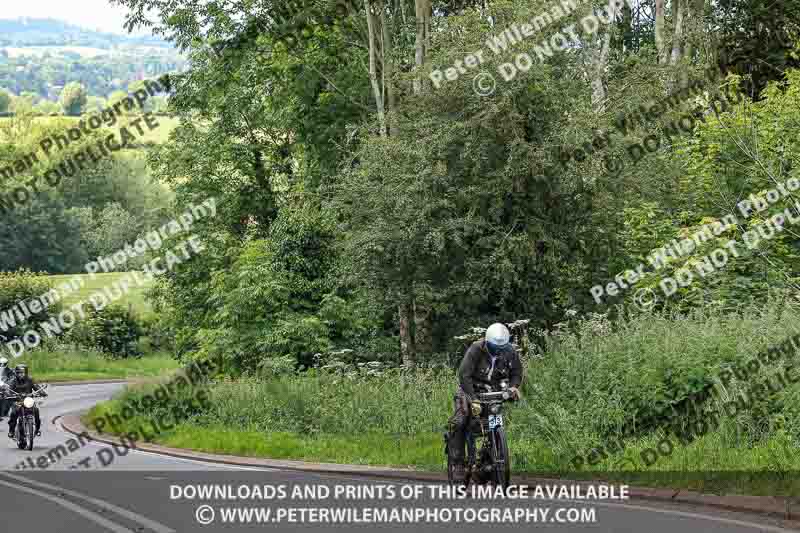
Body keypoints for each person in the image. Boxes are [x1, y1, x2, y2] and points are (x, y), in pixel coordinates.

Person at [447, 323, 523, 481]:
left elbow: (517, 372)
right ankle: (458, 463)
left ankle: (490, 459)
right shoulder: (476, 349)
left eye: (502, 347)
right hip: (470, 390)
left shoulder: (509, 351)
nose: (499, 351)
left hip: (494, 392)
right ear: (487, 343)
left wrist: (513, 387)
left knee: (493, 423)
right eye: (495, 348)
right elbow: (464, 375)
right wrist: (473, 399)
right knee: (460, 421)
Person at [7, 364, 46, 439]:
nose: (20, 374)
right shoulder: (13, 380)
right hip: (17, 401)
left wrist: (42, 392)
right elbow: (9, 389)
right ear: (16, 373)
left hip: (28, 400)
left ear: (26, 373)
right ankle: (11, 431)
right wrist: (8, 394)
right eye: (18, 373)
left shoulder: (30, 379)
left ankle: (37, 429)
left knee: (36, 410)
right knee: (14, 413)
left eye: (22, 373)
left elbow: (36, 387)